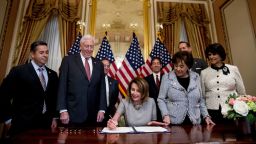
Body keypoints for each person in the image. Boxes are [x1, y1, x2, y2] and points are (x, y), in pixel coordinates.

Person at [0, 41, 59, 136]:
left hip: (45, 125)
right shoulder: (18, 71)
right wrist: (8, 120)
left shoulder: (53, 74)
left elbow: (54, 99)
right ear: (32, 54)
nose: (45, 55)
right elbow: (3, 96)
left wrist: (54, 117)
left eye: (47, 52)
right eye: (41, 52)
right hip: (21, 124)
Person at [57, 34, 106, 127]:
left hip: (93, 115)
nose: (89, 49)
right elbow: (62, 86)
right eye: (86, 46)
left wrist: (102, 109)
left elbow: (102, 89)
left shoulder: (99, 64)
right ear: (80, 46)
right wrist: (62, 110)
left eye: (91, 46)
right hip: (72, 114)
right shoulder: (68, 60)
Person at [158, 51, 215, 125]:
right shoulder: (167, 77)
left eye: (181, 66)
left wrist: (206, 116)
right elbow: (161, 99)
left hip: (195, 122)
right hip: (174, 122)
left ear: (188, 66)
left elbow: (200, 99)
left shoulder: (196, 77)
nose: (178, 69)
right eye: (175, 65)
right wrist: (165, 115)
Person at [201, 43, 246, 123]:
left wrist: (243, 107)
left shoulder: (233, 69)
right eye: (209, 55)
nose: (211, 57)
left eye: (214, 54)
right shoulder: (204, 73)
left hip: (232, 109)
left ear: (221, 54)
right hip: (212, 111)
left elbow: (241, 91)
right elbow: (202, 95)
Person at [101, 59, 119, 126]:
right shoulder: (93, 81)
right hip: (96, 115)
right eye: (104, 65)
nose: (106, 67)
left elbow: (114, 99)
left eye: (108, 66)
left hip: (109, 114)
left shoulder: (114, 82)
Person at [144, 57, 163, 121]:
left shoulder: (167, 78)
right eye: (154, 63)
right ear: (151, 66)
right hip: (151, 110)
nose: (156, 65)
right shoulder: (146, 79)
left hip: (165, 111)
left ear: (161, 65)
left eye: (158, 63)